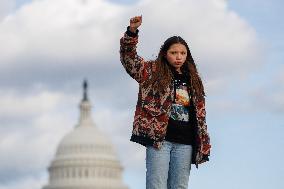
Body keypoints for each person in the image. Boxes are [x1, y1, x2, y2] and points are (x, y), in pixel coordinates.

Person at [120, 15, 211, 189]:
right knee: (156, 185)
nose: (179, 57)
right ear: (165, 53)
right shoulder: (151, 72)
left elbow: (200, 116)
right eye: (174, 52)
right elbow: (128, 59)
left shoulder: (194, 80)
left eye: (183, 53)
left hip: (185, 142)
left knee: (179, 187)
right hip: (159, 140)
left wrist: (203, 143)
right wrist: (132, 32)